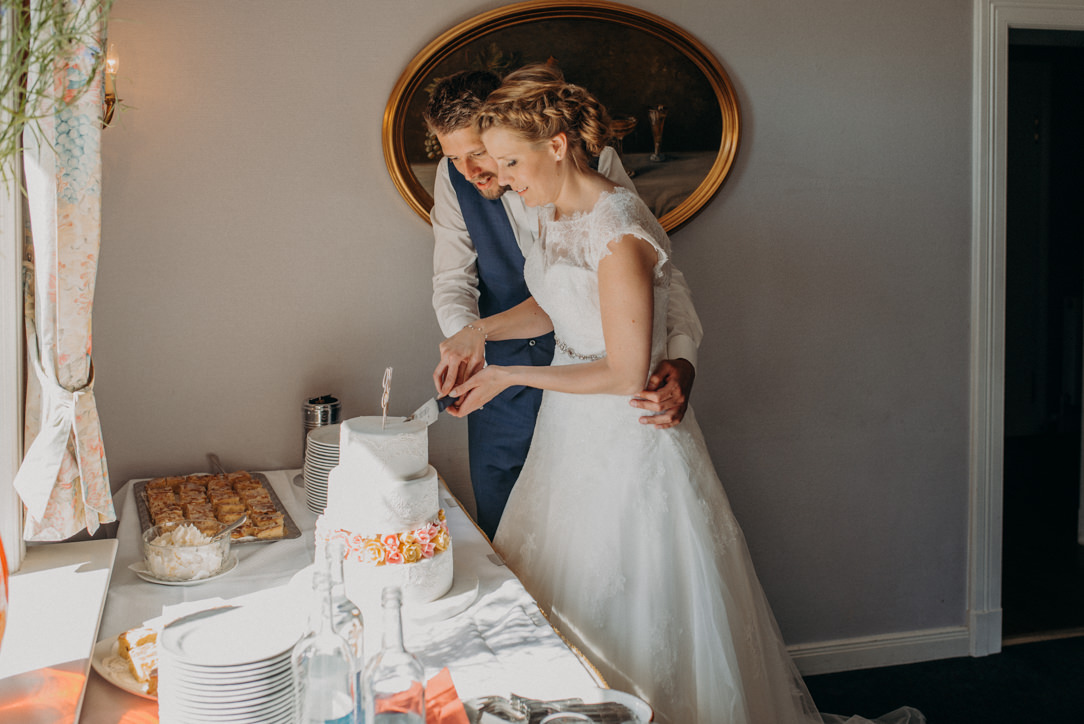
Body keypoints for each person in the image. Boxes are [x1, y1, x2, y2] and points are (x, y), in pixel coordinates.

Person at [439, 65, 924, 724]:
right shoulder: (553, 210)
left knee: (641, 603)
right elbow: (556, 306)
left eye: (508, 162)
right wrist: (478, 333)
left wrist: (509, 374)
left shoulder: (618, 225)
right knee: (569, 593)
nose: (503, 181)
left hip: (628, 435)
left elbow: (623, 373)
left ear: (556, 143)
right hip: (569, 437)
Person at [424, 70, 703, 540]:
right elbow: (458, 280)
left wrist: (683, 357)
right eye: (457, 158)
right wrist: (471, 338)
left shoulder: (592, 180)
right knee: (514, 541)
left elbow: (656, 275)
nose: (475, 171)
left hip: (614, 403)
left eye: (483, 154)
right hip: (515, 396)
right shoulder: (470, 182)